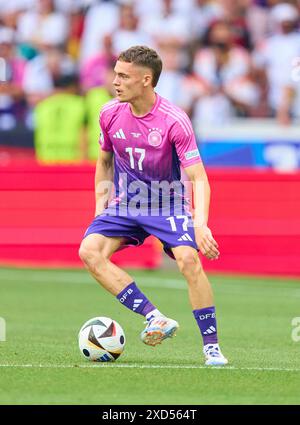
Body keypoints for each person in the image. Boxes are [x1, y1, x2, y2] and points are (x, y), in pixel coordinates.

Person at [79, 45, 228, 366]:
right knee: (89, 251)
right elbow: (104, 162)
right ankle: (155, 317)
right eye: (115, 73)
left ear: (146, 80)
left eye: (123, 76)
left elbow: (198, 177)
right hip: (125, 204)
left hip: (167, 204)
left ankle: (212, 348)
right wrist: (99, 208)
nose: (115, 81)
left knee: (189, 260)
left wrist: (200, 223)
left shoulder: (174, 120)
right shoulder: (109, 113)